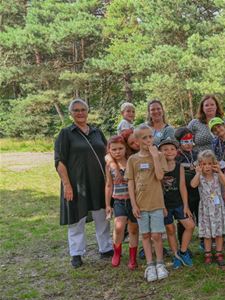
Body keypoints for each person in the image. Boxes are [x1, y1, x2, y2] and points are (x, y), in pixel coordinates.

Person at [55, 99, 113, 268]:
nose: (80, 113)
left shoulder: (96, 131)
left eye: (83, 109)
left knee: (102, 216)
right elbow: (60, 161)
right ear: (71, 113)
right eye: (76, 110)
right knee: (76, 219)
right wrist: (66, 184)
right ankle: (76, 253)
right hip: (76, 184)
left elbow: (108, 153)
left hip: (99, 182)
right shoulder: (66, 133)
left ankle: (106, 248)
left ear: (87, 112)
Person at [126, 125, 169, 282]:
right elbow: (130, 183)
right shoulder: (133, 159)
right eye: (144, 138)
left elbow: (159, 176)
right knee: (145, 235)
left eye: (151, 137)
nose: (149, 140)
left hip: (156, 203)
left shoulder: (158, 155)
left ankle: (160, 263)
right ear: (137, 141)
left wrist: (155, 157)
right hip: (140, 204)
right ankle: (150, 265)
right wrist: (133, 204)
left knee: (157, 235)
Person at [158, 138, 196, 269]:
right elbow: (157, 188)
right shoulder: (158, 167)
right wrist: (162, 207)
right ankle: (176, 255)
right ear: (159, 152)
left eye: (172, 149)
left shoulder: (179, 165)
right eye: (165, 149)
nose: (169, 151)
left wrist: (186, 205)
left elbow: (182, 186)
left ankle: (183, 251)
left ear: (176, 151)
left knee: (190, 225)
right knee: (170, 229)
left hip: (179, 203)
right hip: (165, 205)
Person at [190, 150, 225, 266]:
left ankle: (219, 253)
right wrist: (197, 173)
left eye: (209, 163)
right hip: (206, 208)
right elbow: (193, 185)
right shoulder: (200, 177)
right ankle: (207, 253)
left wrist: (220, 171)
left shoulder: (217, 176)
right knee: (207, 234)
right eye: (203, 164)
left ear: (214, 164)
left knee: (219, 233)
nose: (207, 167)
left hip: (217, 207)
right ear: (199, 165)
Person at [105, 135, 139, 269]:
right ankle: (117, 252)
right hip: (119, 201)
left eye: (120, 148)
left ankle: (132, 257)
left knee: (133, 229)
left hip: (133, 201)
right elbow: (109, 185)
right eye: (114, 149)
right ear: (109, 150)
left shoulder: (132, 162)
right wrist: (108, 204)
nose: (117, 152)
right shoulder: (110, 166)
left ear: (126, 148)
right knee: (119, 228)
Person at [174, 128, 200, 253]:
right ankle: (183, 245)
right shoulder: (177, 156)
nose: (188, 144)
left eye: (190, 140)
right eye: (185, 141)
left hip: (197, 192)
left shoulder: (196, 153)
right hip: (184, 193)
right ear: (179, 143)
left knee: (200, 216)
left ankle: (204, 240)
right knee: (184, 219)